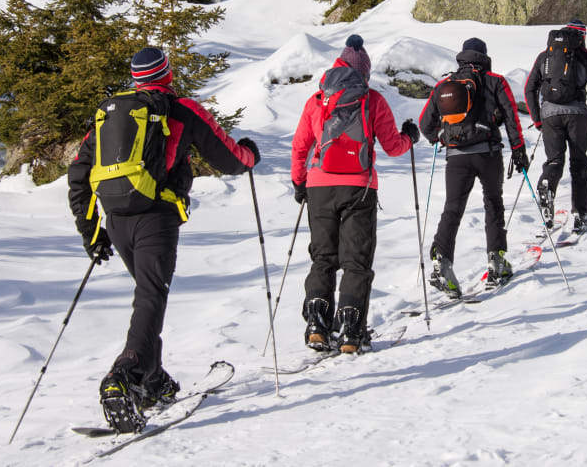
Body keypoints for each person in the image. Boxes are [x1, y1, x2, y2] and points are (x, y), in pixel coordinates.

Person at [68, 47, 259, 432]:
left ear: (137, 77)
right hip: (155, 217)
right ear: (167, 74)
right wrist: (250, 155)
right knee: (151, 296)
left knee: (147, 294)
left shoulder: (110, 115)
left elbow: (78, 173)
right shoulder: (182, 109)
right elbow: (230, 159)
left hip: (117, 219)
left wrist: (92, 232)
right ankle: (124, 374)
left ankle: (152, 381)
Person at [291, 35, 418, 354]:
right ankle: (351, 330)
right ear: (364, 72)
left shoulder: (317, 100)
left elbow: (300, 147)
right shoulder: (372, 99)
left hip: (319, 186)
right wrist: (409, 137)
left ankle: (317, 325)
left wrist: (299, 183)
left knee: (323, 256)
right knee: (356, 261)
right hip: (360, 187)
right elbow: (392, 146)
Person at [419, 37, 528, 295]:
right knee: (493, 203)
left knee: (452, 209)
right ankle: (497, 261)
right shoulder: (495, 81)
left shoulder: (444, 85)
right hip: (488, 153)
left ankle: (442, 263)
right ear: (483, 56)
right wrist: (518, 149)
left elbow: (425, 124)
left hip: (455, 156)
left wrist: (442, 138)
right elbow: (512, 115)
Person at [524, 20, 587, 232]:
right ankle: (581, 213)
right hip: (577, 115)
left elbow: (529, 89)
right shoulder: (586, 57)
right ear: (581, 36)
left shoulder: (545, 55)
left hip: (549, 115)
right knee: (579, 163)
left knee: (554, 161)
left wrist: (537, 119)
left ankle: (547, 185)